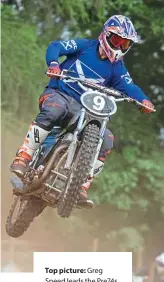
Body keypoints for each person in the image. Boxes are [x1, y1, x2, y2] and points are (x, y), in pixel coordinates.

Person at [10, 15, 154, 207]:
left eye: (125, 44)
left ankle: (81, 186)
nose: (119, 47)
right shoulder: (85, 46)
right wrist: (53, 63)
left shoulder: (117, 68)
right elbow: (56, 47)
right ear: (106, 35)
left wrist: (143, 100)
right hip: (58, 94)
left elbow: (130, 87)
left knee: (107, 140)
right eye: (117, 40)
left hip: (85, 111)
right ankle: (24, 156)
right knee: (55, 110)